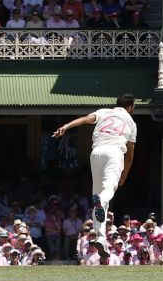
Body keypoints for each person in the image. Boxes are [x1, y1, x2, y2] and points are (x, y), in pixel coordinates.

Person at [53, 93, 137, 234]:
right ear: (129, 107)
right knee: (109, 188)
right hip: (114, 152)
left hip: (96, 152)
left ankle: (100, 235)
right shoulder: (131, 123)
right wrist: (124, 175)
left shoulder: (104, 111)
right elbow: (130, 155)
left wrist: (66, 126)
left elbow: (86, 119)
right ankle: (101, 201)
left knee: (98, 193)